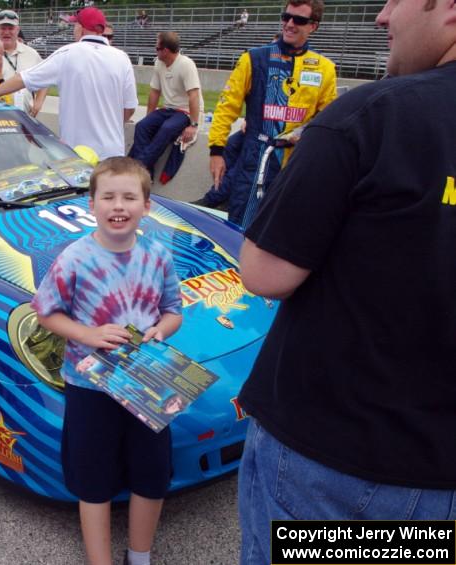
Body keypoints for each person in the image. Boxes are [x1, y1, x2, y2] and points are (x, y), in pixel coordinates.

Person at [236, 1, 456, 564]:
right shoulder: (268, 67)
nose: (382, 16)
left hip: (331, 462)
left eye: (398, 0)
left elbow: (264, 273)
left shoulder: (371, 115)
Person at [32, 156, 183, 565]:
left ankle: (140, 555)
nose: (119, 206)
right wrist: (89, 335)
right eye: (109, 197)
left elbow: (173, 310)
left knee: (152, 476)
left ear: (147, 205)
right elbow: (46, 312)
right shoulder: (75, 257)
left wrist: (161, 331)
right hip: (90, 387)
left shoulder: (157, 255)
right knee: (93, 480)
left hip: (146, 382)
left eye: (130, 197)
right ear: (91, 205)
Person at [197, 0, 337, 228]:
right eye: (286, 17)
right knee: (240, 227)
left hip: (295, 165)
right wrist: (216, 150)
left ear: (313, 26)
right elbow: (226, 106)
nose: (290, 24)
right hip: (255, 157)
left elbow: (326, 120)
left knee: (281, 231)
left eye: (299, 20)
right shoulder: (253, 58)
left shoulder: (325, 69)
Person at [0, 7, 138, 161]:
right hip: (112, 152)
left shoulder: (67, 54)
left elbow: (22, 79)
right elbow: (129, 108)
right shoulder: (122, 58)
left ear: (80, 28)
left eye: (75, 26)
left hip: (76, 152)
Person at [128, 31, 203, 184]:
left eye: (157, 48)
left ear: (166, 51)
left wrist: (194, 124)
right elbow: (155, 92)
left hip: (185, 111)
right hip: (168, 109)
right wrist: (149, 116)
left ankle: (137, 168)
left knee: (166, 129)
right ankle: (147, 173)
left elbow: (194, 95)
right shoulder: (159, 63)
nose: (155, 50)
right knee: (142, 126)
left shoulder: (186, 64)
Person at [0, 9, 48, 117]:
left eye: (11, 28)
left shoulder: (32, 54)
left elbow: (44, 79)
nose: (6, 32)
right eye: (3, 28)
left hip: (25, 117)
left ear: (18, 30)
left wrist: (39, 102)